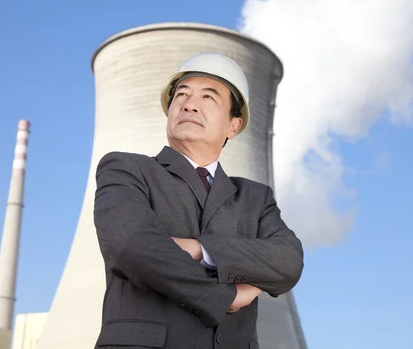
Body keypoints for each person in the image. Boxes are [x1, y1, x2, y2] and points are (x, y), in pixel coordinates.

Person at [93, 52, 304, 349]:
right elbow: (131, 246)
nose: (189, 104)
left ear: (233, 125)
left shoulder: (255, 198)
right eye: (181, 94)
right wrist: (226, 296)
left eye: (208, 97)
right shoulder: (126, 170)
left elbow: (288, 261)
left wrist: (200, 249)